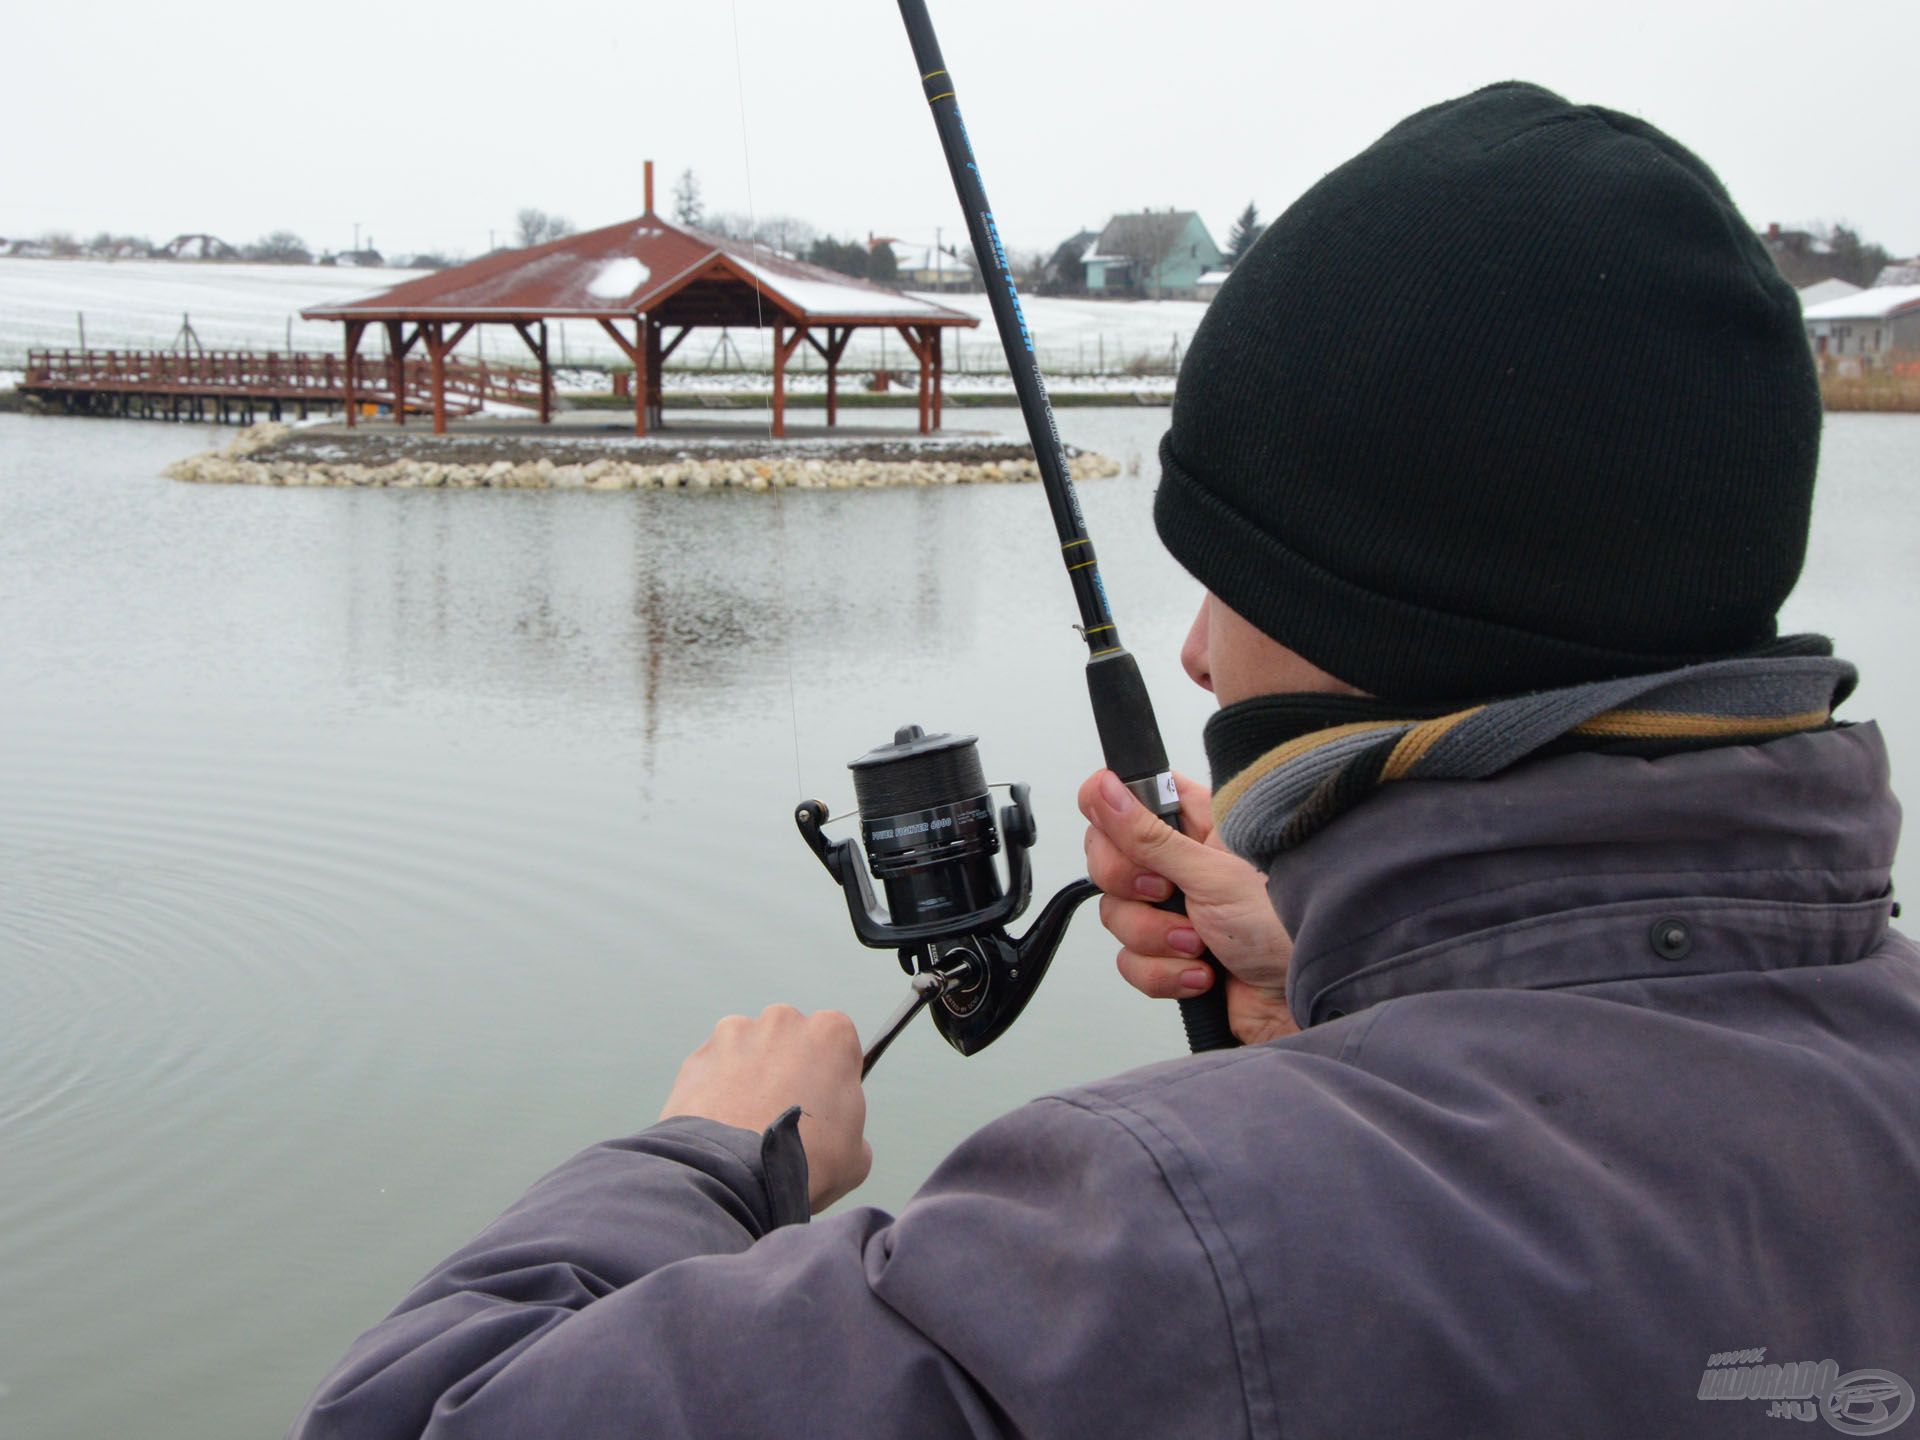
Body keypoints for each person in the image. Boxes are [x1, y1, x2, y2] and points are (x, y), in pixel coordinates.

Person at [290, 83, 1918, 1439]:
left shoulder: (1164, 1236)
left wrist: (709, 1157)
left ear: (1385, 617)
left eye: (1241, 577)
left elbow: (422, 1414)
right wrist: (1350, 1006)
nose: (1200, 652)